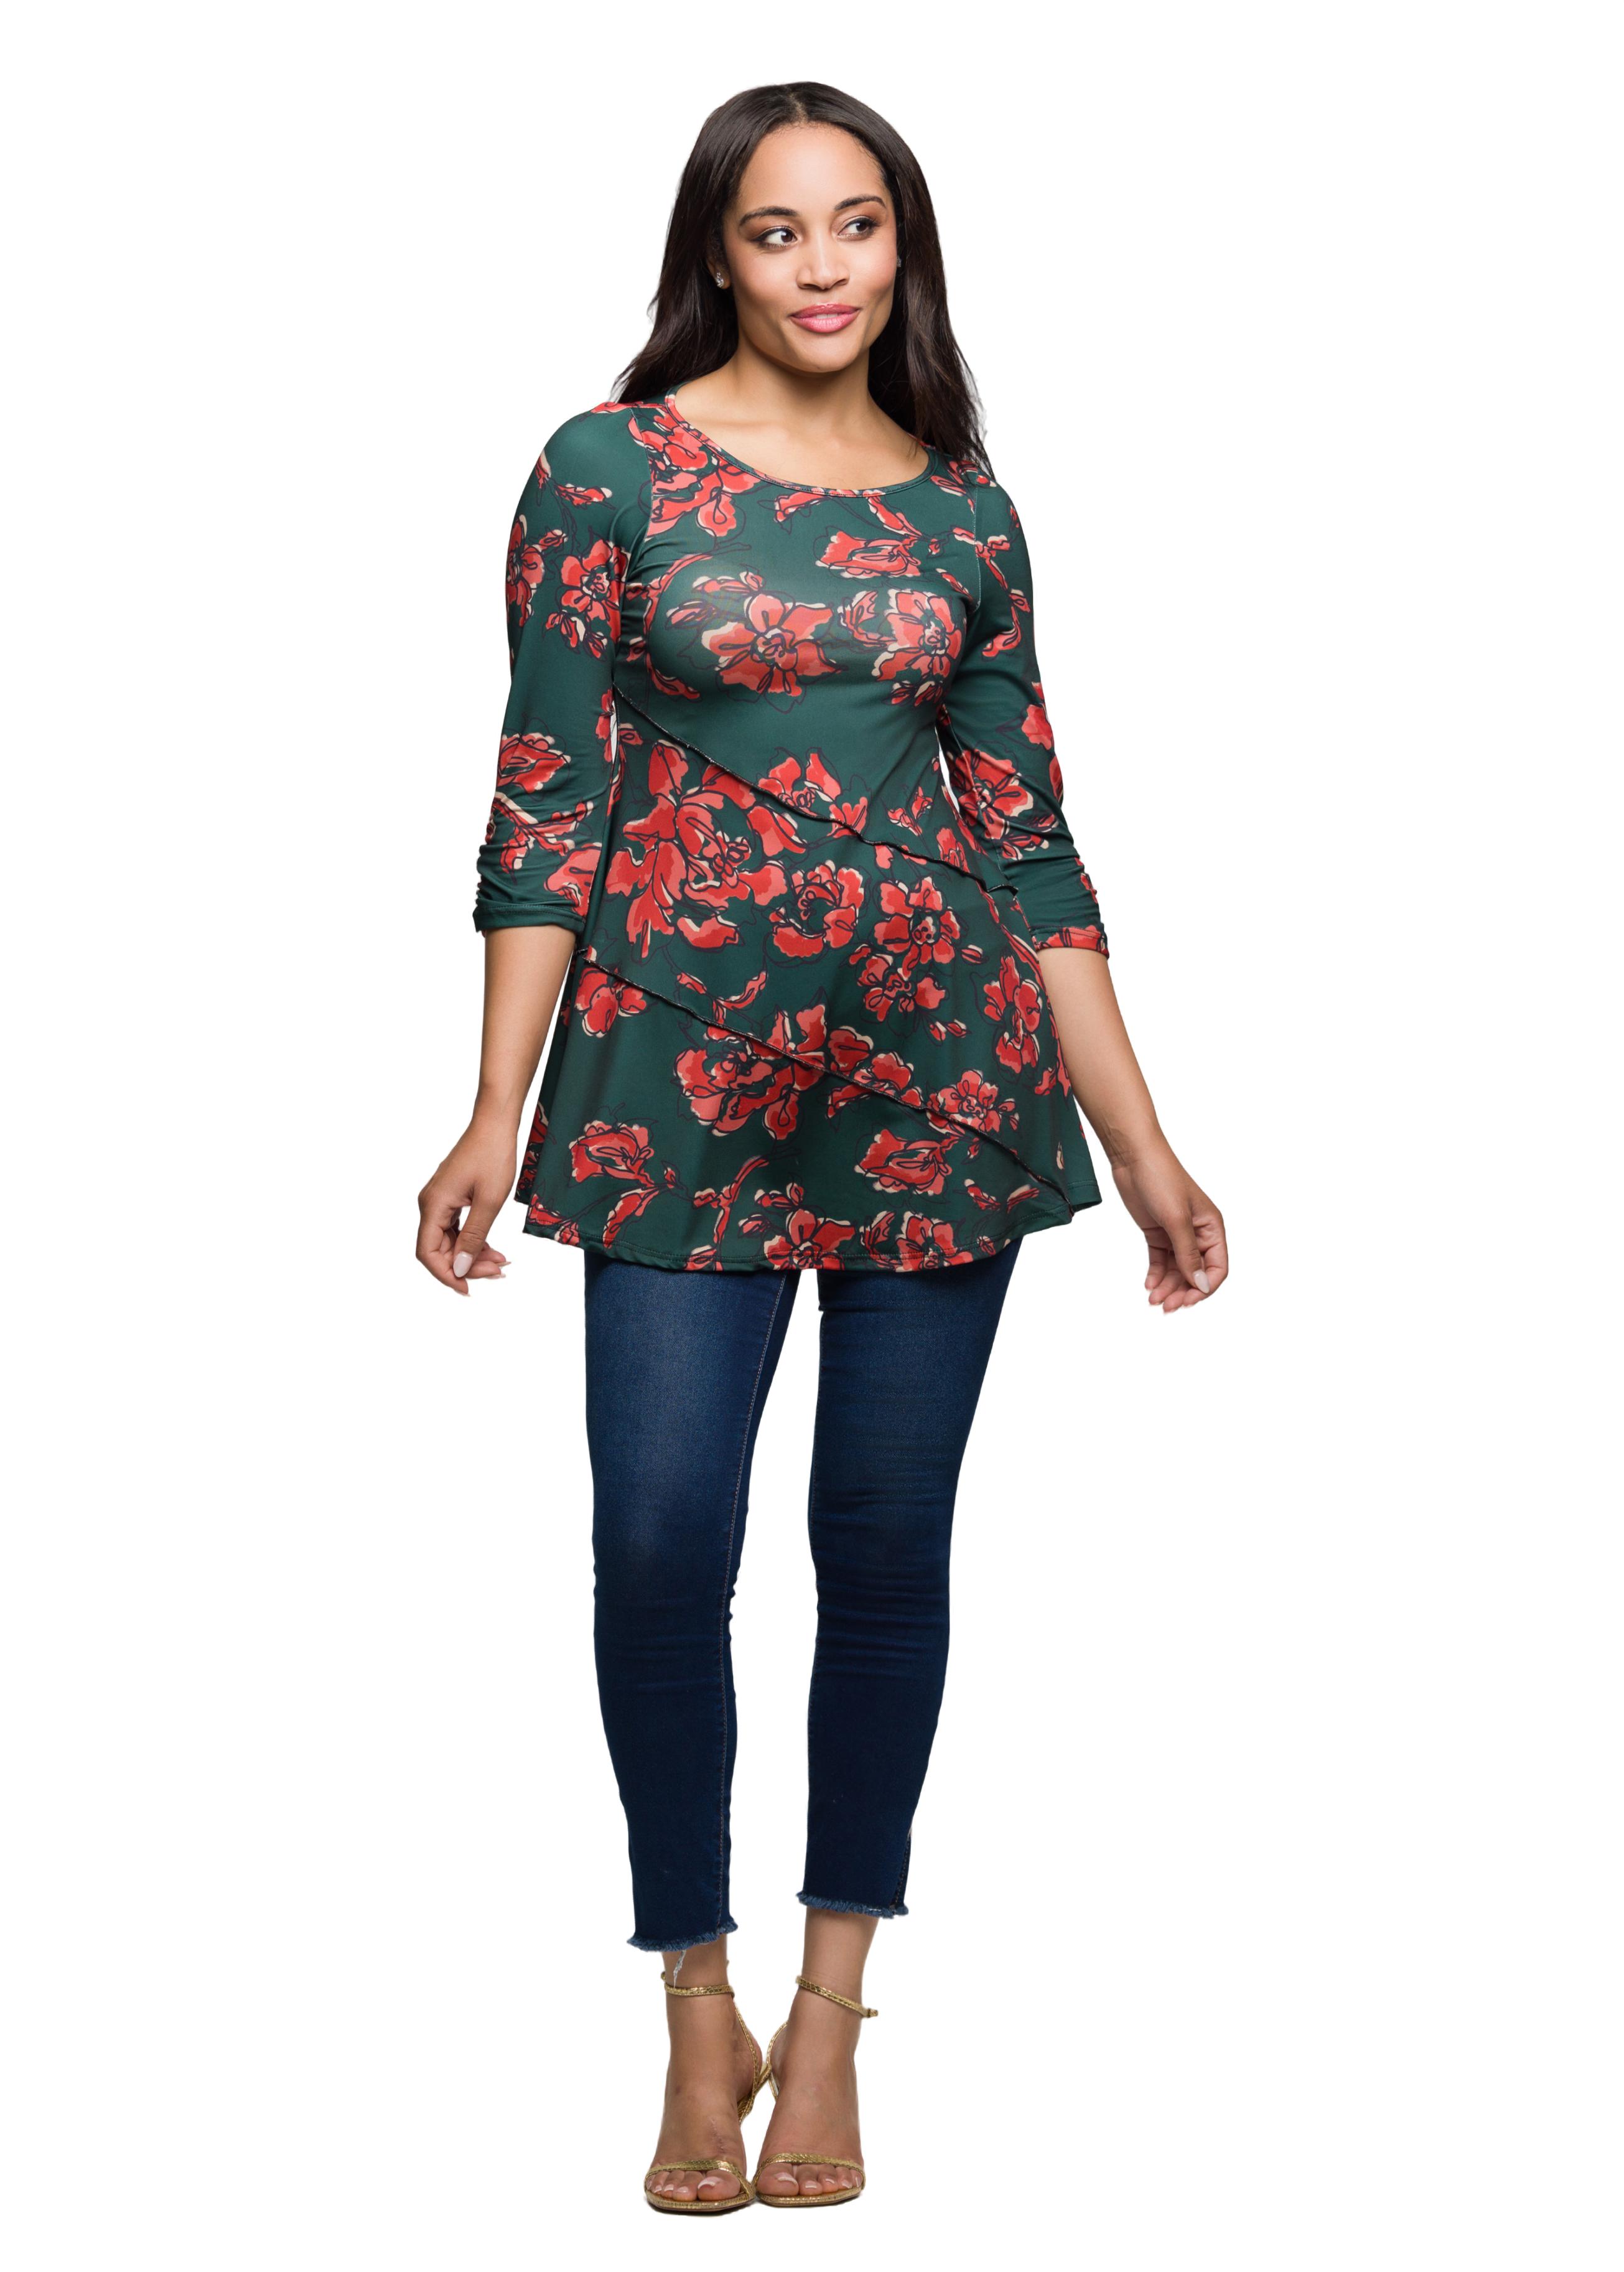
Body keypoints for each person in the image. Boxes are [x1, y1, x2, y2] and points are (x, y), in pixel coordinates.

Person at [417, 80, 1228, 2214]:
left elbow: (1027, 843)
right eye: (776, 230)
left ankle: (833, 2008)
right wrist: (493, 1104)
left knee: (880, 1554)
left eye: (855, 224)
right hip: (669, 1083)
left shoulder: (965, 511)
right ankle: (694, 1997)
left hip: (941, 1084)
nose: (820, 267)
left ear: (902, 244)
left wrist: (1144, 1144)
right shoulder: (603, 469)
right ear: (717, 249)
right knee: (661, 1542)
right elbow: (543, 796)